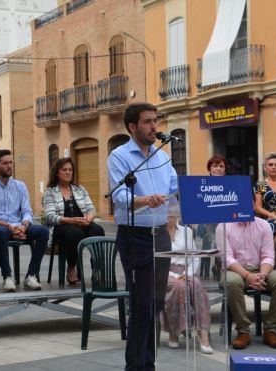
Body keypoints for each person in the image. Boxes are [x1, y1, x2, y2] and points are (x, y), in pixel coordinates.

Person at [107, 102, 178, 371]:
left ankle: (149, 363)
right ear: (133, 126)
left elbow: (174, 186)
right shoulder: (119, 156)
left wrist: (201, 189)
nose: (154, 126)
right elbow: (119, 197)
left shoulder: (162, 155)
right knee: (142, 305)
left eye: (155, 121)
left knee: (156, 304)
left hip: (160, 235)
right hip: (135, 237)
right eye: (148, 122)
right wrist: (145, 199)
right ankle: (136, 367)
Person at [0, 149, 48, 292]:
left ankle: (31, 275)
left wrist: (23, 226)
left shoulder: (20, 186)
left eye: (11, 163)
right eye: (5, 163)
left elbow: (27, 211)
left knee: (42, 231)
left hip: (19, 226)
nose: (9, 166)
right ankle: (7, 277)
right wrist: (9, 226)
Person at [217, 217, 276, 350]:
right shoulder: (223, 225)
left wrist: (262, 276)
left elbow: (268, 255)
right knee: (232, 282)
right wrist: (247, 275)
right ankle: (243, 331)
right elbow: (226, 258)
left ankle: (271, 330)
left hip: (260, 269)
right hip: (234, 269)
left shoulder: (263, 225)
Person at [41, 157, 105, 285]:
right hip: (62, 225)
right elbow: (49, 216)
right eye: (64, 170)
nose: (68, 172)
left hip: (81, 223)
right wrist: (71, 220)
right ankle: (71, 268)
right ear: (57, 173)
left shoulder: (79, 189)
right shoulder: (50, 191)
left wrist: (88, 219)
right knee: (75, 233)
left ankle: (97, 268)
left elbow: (91, 209)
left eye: (70, 170)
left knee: (97, 229)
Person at [162, 223, 213, 354]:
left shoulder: (187, 231)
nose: (171, 213)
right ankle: (174, 331)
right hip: (165, 273)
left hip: (186, 271)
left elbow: (194, 255)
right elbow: (156, 260)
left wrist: (187, 273)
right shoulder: (157, 232)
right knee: (178, 287)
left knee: (197, 285)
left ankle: (203, 333)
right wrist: (175, 275)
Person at [196, 154, 229, 281]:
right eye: (215, 166)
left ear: (225, 169)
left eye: (221, 166)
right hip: (207, 222)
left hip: (225, 221)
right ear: (209, 168)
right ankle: (215, 268)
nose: (218, 169)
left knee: (224, 244)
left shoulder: (230, 184)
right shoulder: (202, 184)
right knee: (214, 242)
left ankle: (219, 267)